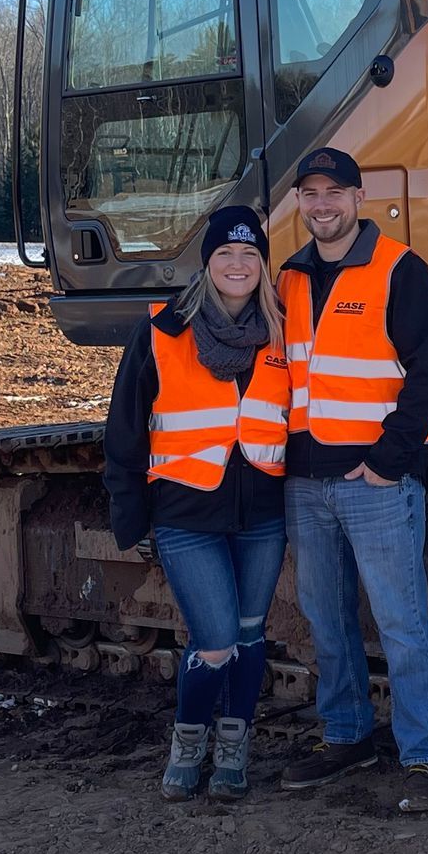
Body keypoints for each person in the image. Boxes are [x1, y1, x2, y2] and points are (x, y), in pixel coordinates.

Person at [277, 148, 428, 812]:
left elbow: (427, 378)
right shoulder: (289, 278)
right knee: (326, 619)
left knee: (401, 621)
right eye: (311, 192)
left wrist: (388, 462)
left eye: (334, 192)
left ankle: (421, 754)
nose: (322, 204)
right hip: (306, 483)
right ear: (301, 201)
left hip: (375, 483)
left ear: (358, 197)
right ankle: (347, 734)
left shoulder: (399, 270)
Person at [102, 205, 290, 799]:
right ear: (207, 265)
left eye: (250, 255)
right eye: (225, 255)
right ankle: (188, 738)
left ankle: (234, 746)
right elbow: (125, 429)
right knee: (213, 642)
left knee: (251, 635)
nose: (238, 265)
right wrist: (128, 513)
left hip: (262, 512)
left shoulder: (283, 332)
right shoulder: (162, 330)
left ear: (263, 265)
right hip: (187, 513)